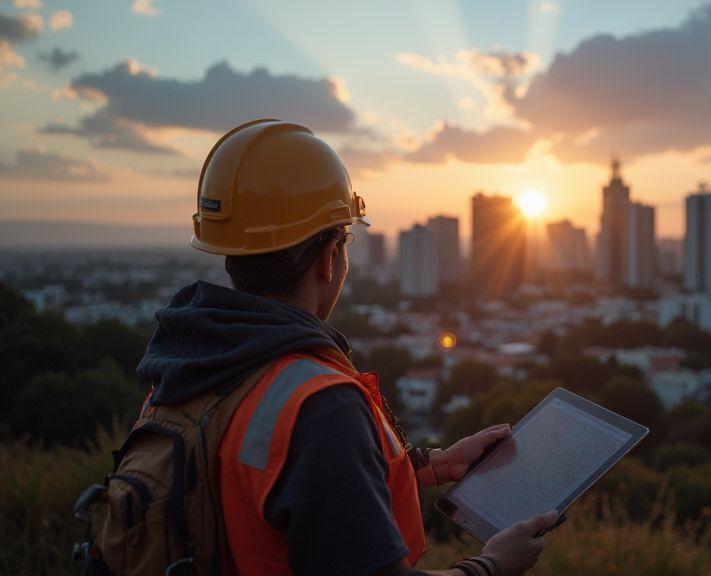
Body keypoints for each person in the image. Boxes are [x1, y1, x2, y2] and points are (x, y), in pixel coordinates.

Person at [136, 119, 558, 576]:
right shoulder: (317, 403)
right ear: (329, 256)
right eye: (347, 239)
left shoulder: (190, 370)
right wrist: (493, 565)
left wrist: (431, 466)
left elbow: (274, 489)